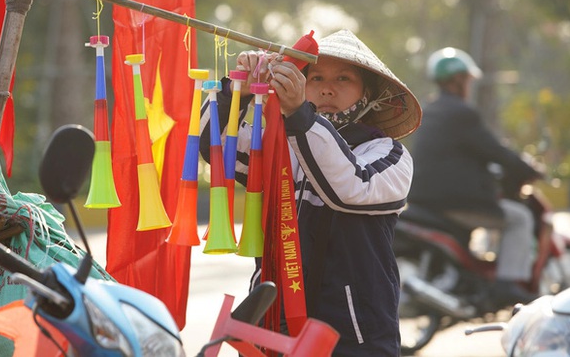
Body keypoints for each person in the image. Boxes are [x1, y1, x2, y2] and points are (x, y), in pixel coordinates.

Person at [199, 29, 422, 356]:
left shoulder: (389, 154)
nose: (328, 88)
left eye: (344, 78)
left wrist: (300, 116)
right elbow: (212, 146)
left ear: (369, 95)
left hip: (354, 337)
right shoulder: (280, 144)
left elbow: (349, 187)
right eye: (315, 78)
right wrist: (239, 90)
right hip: (277, 328)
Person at [407, 47, 542, 306]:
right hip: (456, 201)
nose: (469, 85)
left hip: (425, 199)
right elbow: (494, 150)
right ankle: (506, 285)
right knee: (520, 218)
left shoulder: (431, 109)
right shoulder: (460, 112)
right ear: (458, 80)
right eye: (467, 80)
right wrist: (527, 169)